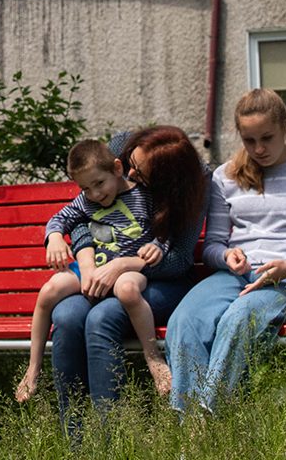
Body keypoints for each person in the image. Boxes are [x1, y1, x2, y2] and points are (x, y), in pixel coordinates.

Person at [165, 88, 286, 414]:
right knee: (184, 320)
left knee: (239, 320)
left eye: (267, 137)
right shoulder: (226, 175)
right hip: (236, 274)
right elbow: (212, 245)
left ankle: (205, 426)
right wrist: (226, 256)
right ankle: (188, 419)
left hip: (285, 277)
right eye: (249, 140)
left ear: (285, 126)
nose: (259, 149)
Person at [46, 125, 208, 429]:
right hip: (105, 270)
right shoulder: (124, 147)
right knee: (66, 316)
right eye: (131, 165)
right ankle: (76, 437)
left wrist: (124, 264)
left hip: (162, 279)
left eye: (141, 175)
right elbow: (85, 216)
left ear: (163, 183)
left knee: (102, 318)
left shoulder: (194, 183)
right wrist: (87, 259)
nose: (131, 175)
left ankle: (111, 436)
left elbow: (177, 260)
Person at [16, 139, 171, 403]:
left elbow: (167, 229)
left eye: (99, 183)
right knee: (49, 290)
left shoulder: (143, 196)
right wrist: (54, 237)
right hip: (92, 270)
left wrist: (158, 245)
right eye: (86, 188)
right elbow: (59, 219)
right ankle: (33, 368)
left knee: (127, 290)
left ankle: (153, 358)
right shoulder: (86, 202)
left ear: (117, 168)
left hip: (127, 268)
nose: (95, 194)